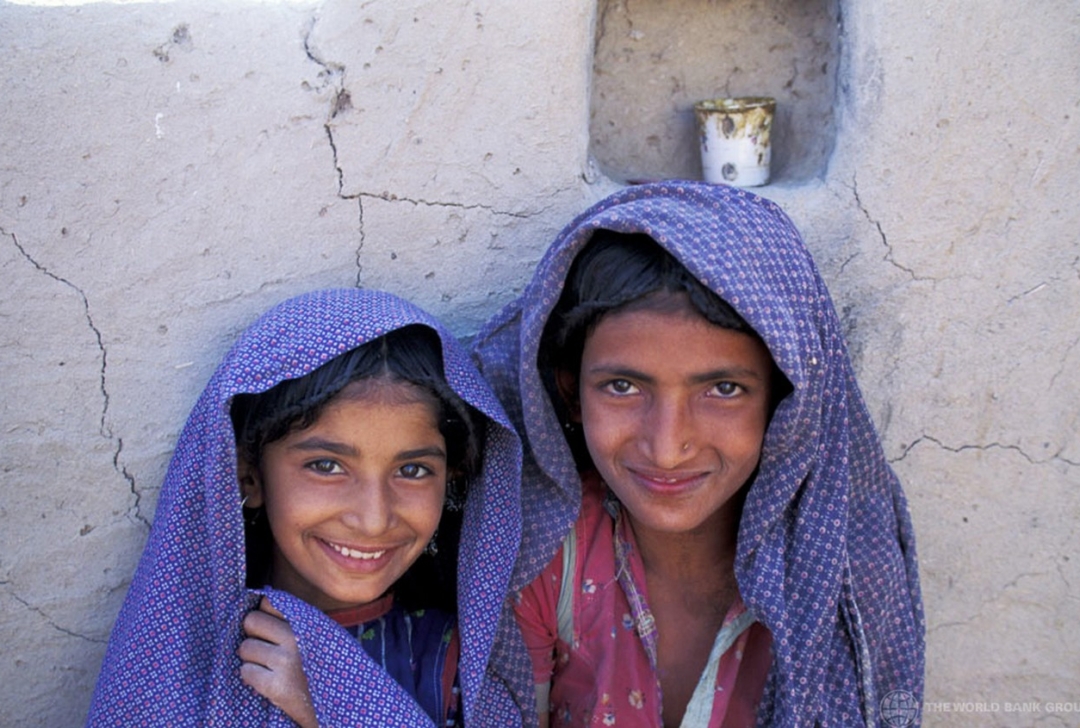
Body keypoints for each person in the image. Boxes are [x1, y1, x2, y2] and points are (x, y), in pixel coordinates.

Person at [473, 182, 925, 727]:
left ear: (785, 401)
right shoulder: (542, 559)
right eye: (622, 387)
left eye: (723, 390)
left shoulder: (842, 576)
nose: (667, 448)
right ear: (570, 391)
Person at [87, 288, 532, 727]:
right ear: (249, 476)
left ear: (451, 478)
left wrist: (342, 707)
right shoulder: (178, 666)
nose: (373, 518)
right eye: (326, 465)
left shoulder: (453, 665)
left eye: (413, 470)